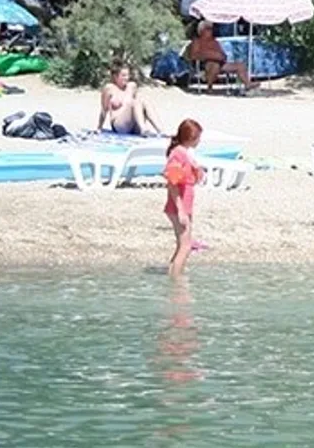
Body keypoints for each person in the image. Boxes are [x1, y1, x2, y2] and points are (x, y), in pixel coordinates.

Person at [164, 119, 207, 276]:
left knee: (182, 245)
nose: (199, 141)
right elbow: (172, 184)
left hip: (185, 206)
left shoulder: (184, 154)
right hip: (178, 207)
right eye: (198, 138)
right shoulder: (178, 155)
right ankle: (177, 282)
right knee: (185, 246)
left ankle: (174, 276)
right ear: (191, 138)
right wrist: (181, 210)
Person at [185, 21, 252, 93]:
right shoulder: (197, 41)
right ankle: (209, 87)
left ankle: (247, 84)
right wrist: (210, 55)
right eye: (208, 28)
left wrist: (221, 56)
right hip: (205, 64)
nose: (211, 31)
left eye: (211, 29)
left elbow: (223, 55)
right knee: (214, 64)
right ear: (201, 31)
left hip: (220, 63)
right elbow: (193, 55)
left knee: (240, 65)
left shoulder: (214, 41)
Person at [99, 63, 162, 136]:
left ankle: (161, 130)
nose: (126, 78)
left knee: (143, 100)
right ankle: (143, 129)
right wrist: (99, 127)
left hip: (133, 125)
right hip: (119, 125)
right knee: (134, 102)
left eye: (128, 75)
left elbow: (139, 107)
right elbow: (104, 110)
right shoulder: (109, 88)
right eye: (123, 75)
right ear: (115, 76)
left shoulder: (132, 86)